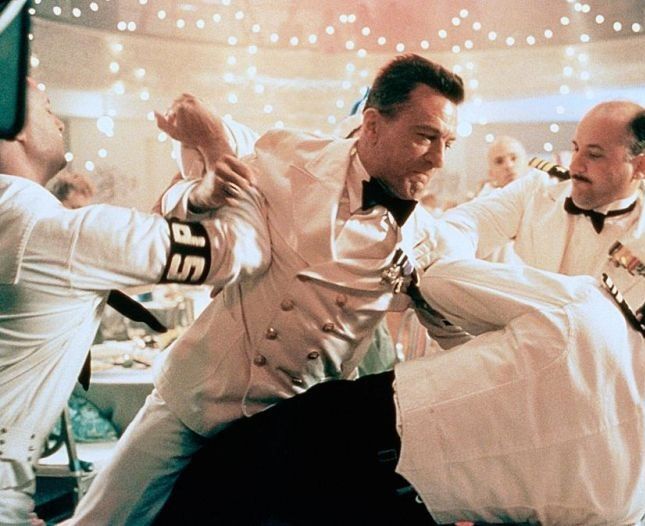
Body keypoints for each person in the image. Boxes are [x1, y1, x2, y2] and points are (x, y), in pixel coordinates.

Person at [70, 54, 469, 525]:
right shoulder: (289, 155)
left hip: (289, 431)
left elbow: (459, 338)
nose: (439, 159)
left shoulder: (427, 240)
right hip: (195, 397)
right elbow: (187, 191)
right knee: (106, 515)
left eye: (447, 142)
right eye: (425, 136)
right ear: (373, 125)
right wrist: (198, 187)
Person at [153, 257, 645, 526]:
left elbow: (445, 282)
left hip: (354, 429)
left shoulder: (588, 312)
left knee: (209, 495)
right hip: (414, 508)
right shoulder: (633, 498)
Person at [0, 79, 268, 525]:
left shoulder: (21, 218)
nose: (59, 121)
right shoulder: (53, 231)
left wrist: (194, 197)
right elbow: (243, 249)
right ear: (14, 125)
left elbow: (120, 246)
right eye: (46, 107)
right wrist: (215, 145)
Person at [442, 101, 645, 315]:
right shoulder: (537, 191)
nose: (574, 165)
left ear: (640, 166)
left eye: (594, 155)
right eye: (576, 148)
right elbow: (462, 226)